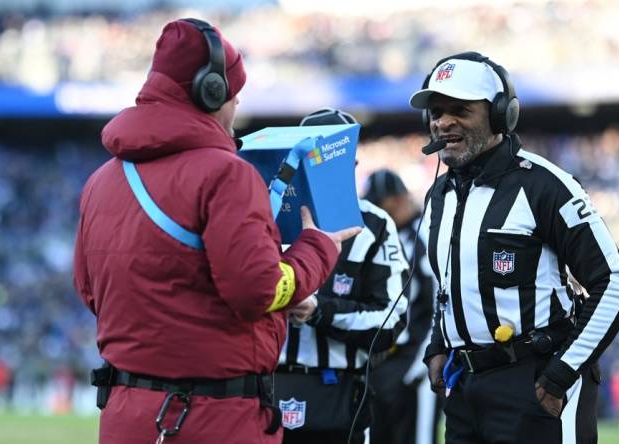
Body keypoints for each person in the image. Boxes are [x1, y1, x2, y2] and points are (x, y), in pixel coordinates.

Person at [73, 19, 359, 444]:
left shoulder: (100, 180)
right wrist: (318, 248)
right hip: (213, 418)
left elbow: (89, 290)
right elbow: (256, 291)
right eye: (234, 94)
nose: (236, 105)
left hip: (123, 415)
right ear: (211, 92)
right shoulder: (227, 174)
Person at [411, 51, 619, 444]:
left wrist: (561, 373)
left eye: (460, 110)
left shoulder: (545, 185)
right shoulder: (439, 195)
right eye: (436, 111)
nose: (443, 122)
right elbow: (449, 285)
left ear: (501, 114)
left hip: (534, 381)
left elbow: (615, 283)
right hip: (466, 390)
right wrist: (436, 345)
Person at [274, 108, 409, 444]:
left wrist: (319, 310)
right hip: (264, 394)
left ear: (353, 165)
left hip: (338, 397)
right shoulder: (266, 215)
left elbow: (390, 323)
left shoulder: (375, 225)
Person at [363, 169, 442, 444]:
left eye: (380, 204)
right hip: (384, 362)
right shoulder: (386, 237)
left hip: (414, 359)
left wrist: (423, 362)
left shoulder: (425, 238)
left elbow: (439, 305)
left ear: (397, 200)